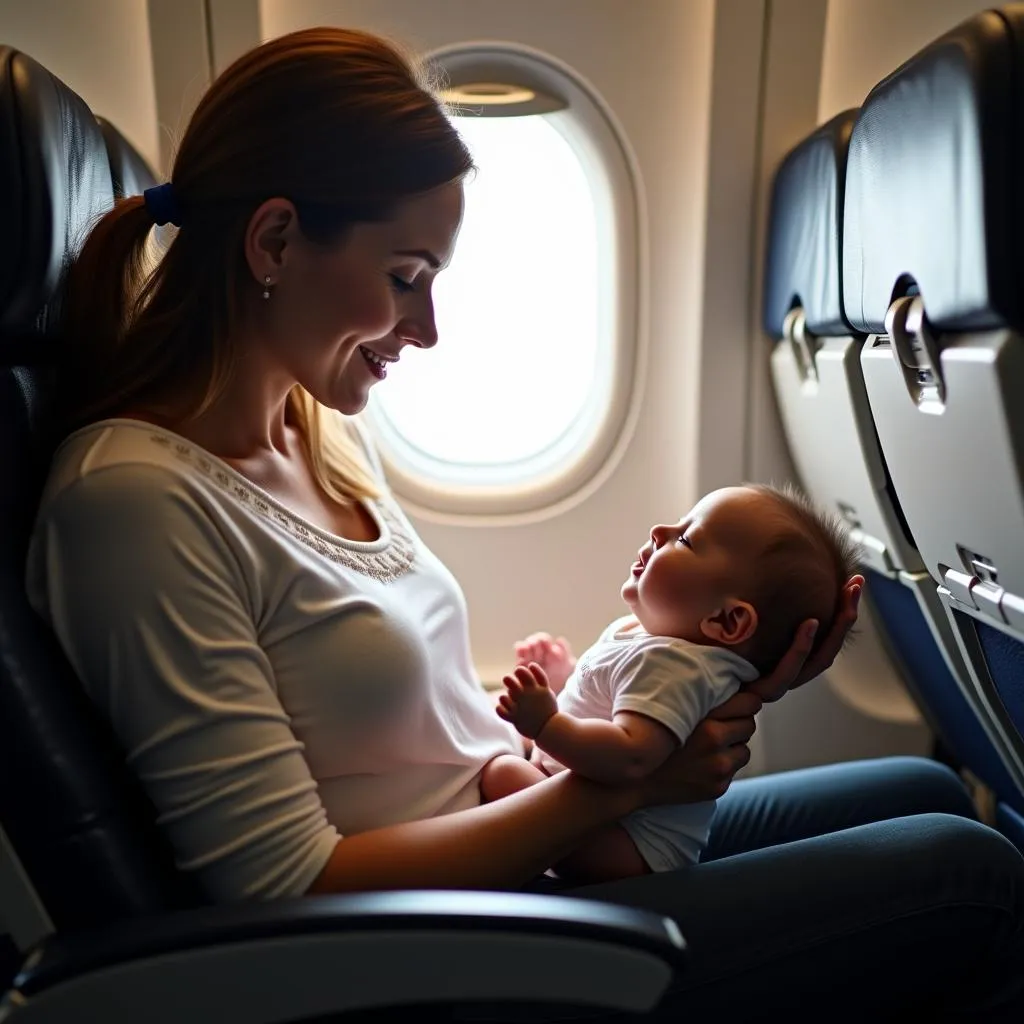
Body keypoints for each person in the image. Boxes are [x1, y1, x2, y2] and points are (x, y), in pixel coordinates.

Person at [22, 25, 1024, 1020]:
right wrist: (617, 784)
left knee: (922, 794)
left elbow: (419, 740)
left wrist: (657, 713)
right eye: (406, 276)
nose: (427, 328)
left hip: (530, 846)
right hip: (450, 952)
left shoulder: (315, 432)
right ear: (275, 240)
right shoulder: (133, 501)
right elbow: (289, 890)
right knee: (966, 870)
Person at [480, 484, 860, 882]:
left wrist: (547, 725)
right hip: (606, 813)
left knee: (503, 773)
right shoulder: (655, 643)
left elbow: (632, 755)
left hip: (628, 848)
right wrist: (564, 684)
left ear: (727, 621)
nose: (660, 530)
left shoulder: (675, 667)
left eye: (686, 539)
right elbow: (612, 699)